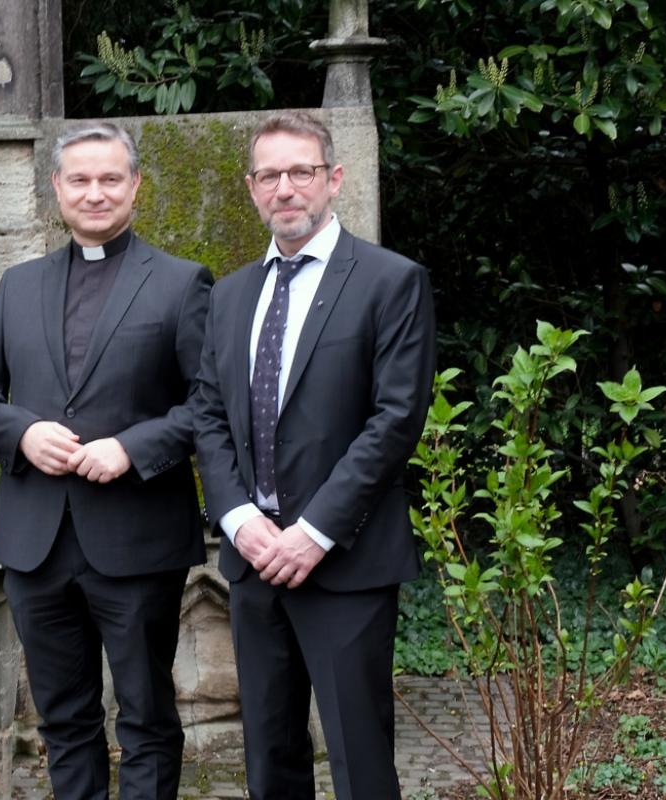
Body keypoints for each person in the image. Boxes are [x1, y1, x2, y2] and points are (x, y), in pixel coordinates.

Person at [0, 122, 212, 799]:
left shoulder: (183, 284)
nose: (94, 193)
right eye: (79, 180)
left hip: (136, 539)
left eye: (109, 180)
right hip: (37, 541)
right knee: (63, 720)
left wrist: (133, 447)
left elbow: (208, 405)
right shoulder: (19, 285)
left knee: (147, 719)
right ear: (56, 189)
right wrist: (23, 435)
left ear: (134, 186)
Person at [188, 110, 436, 800]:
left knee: (360, 763)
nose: (285, 188)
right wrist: (237, 518)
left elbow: (394, 421)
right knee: (270, 760)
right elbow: (207, 416)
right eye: (269, 175)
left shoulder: (390, 281)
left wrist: (313, 532)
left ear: (333, 179)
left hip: (345, 562)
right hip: (254, 561)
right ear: (251, 188)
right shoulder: (233, 295)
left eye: (301, 172)